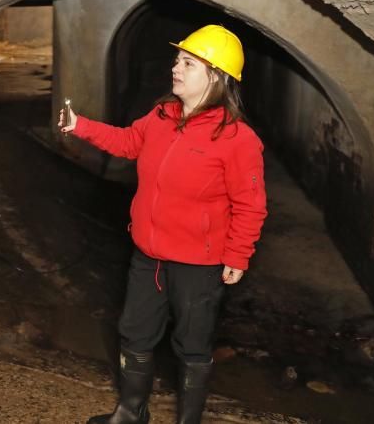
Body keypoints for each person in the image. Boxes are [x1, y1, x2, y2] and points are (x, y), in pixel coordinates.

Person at [59, 24, 267, 424]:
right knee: (134, 332)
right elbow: (127, 143)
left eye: (188, 62)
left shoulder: (237, 139)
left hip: (198, 263)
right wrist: (80, 126)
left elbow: (251, 204)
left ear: (216, 76)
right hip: (148, 254)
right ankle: (130, 411)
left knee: (191, 346)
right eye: (177, 60)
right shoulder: (161, 116)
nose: (176, 67)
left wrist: (238, 255)